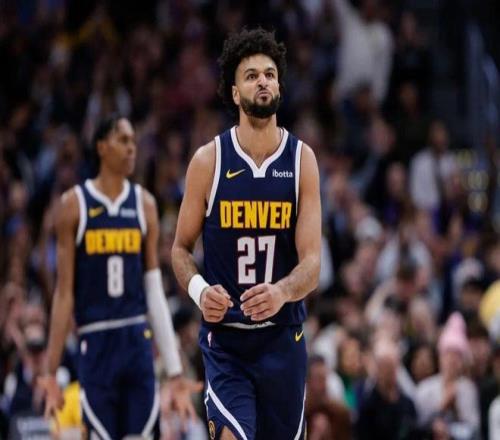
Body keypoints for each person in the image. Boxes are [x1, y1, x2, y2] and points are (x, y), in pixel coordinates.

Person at [172, 28, 321, 440]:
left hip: (283, 338)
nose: (263, 82)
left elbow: (312, 264)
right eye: (252, 76)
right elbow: (180, 249)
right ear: (235, 93)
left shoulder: (302, 160)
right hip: (227, 342)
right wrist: (200, 291)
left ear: (280, 86)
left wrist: (282, 291)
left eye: (270, 74)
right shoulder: (209, 161)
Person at [38, 116, 201, 439]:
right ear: (101, 147)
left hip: (135, 339)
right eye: (123, 140)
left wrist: (174, 371)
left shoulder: (145, 204)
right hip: (95, 342)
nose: (131, 149)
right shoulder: (73, 206)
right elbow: (64, 294)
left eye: (133, 142)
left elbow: (154, 291)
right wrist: (50, 371)